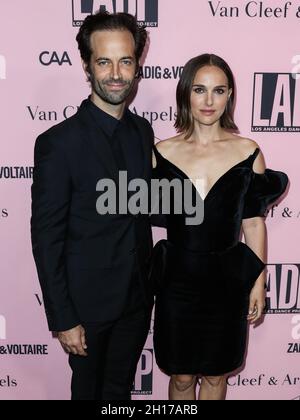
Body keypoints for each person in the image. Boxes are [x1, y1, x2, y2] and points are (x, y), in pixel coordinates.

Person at [31, 11, 154, 400]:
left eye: (125, 61)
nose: (116, 73)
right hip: (87, 306)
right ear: (86, 65)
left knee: (118, 393)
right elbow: (46, 237)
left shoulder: (142, 131)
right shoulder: (58, 143)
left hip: (137, 299)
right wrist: (63, 317)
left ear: (137, 65)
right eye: (104, 61)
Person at [151, 53, 288, 400]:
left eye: (219, 90)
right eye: (199, 89)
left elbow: (254, 225)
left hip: (227, 284)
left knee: (215, 376)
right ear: (186, 94)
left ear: (230, 96)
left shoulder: (248, 151)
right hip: (177, 283)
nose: (209, 100)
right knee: (181, 377)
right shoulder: (161, 153)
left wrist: (258, 284)